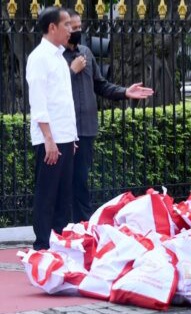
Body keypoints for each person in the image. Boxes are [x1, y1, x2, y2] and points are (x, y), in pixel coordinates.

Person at [63, 9, 154, 223]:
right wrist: (71, 70)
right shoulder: (56, 57)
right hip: (64, 130)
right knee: (63, 183)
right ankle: (62, 228)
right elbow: (50, 90)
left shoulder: (86, 52)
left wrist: (125, 91)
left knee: (81, 182)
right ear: (63, 28)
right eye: (73, 28)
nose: (77, 31)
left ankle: (83, 226)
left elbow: (101, 85)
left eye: (79, 27)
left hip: (86, 128)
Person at [26, 7, 76, 250]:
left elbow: (63, 102)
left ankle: (58, 244)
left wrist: (71, 137)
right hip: (50, 139)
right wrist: (49, 138)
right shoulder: (39, 57)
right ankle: (42, 247)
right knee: (47, 195)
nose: (71, 29)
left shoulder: (59, 56)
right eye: (66, 24)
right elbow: (39, 102)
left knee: (63, 196)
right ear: (52, 27)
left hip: (65, 137)